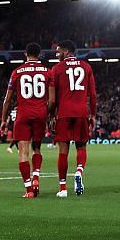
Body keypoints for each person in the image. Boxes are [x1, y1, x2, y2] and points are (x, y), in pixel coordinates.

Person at [0, 43, 51, 199]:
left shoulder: (17, 72)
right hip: (41, 113)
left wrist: (3, 119)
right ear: (40, 54)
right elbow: (52, 98)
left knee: (23, 152)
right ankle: (36, 176)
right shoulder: (47, 72)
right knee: (37, 148)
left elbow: (7, 100)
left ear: (25, 54)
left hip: (23, 114)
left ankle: (29, 189)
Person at [48, 40, 96, 198]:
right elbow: (93, 95)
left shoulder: (56, 69)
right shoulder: (87, 67)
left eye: (59, 51)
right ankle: (79, 171)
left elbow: (53, 100)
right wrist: (93, 115)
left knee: (63, 151)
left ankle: (62, 188)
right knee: (81, 147)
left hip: (64, 113)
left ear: (67, 51)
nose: (57, 54)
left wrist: (51, 115)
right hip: (82, 112)